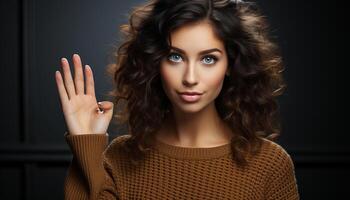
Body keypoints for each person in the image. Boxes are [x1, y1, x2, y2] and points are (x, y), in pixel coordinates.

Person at [55, 0, 300, 199]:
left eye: (208, 59)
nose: (190, 78)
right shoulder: (121, 157)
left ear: (230, 64)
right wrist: (86, 142)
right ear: (155, 62)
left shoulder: (270, 165)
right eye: (175, 57)